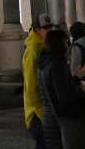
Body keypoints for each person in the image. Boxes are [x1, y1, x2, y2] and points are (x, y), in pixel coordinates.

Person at [37, 28, 85, 149]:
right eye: (66, 41)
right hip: (61, 120)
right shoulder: (57, 64)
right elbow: (65, 98)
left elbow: (54, 87)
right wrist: (82, 91)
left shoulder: (44, 63)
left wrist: (76, 77)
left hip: (50, 117)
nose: (67, 44)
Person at [24, 14, 52, 149]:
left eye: (49, 28)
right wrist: (41, 112)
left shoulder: (43, 46)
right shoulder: (33, 50)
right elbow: (31, 85)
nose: (48, 31)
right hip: (38, 112)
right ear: (37, 30)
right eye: (45, 28)